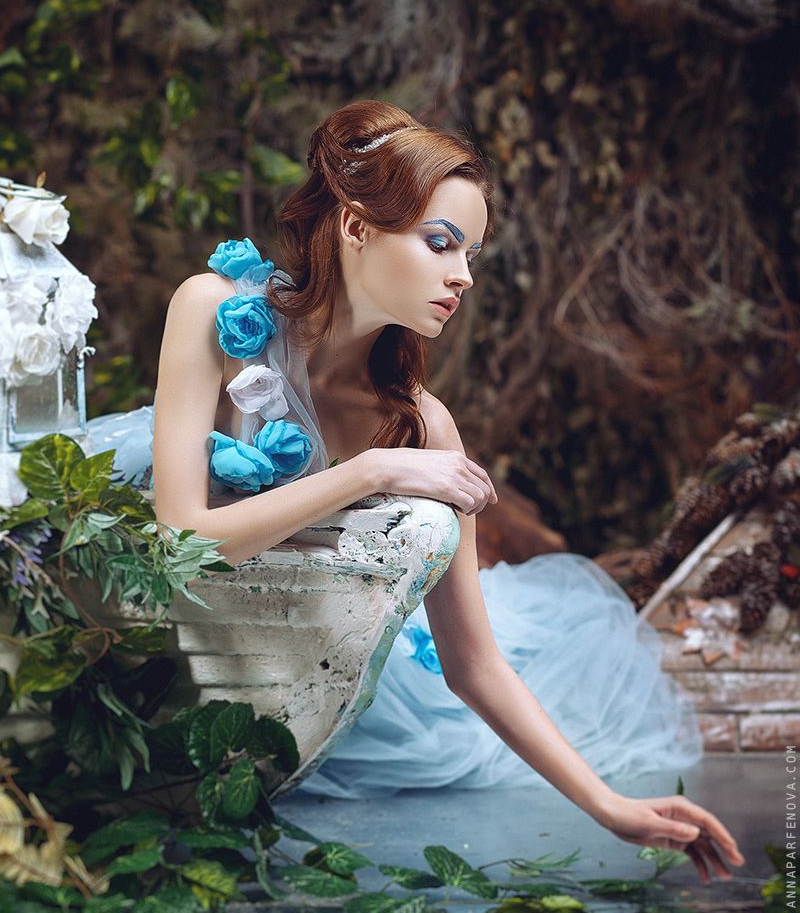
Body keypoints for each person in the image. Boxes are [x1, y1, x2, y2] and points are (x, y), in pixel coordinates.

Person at [86, 100, 745, 884]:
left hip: (313, 666)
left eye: (471, 253)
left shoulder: (424, 424)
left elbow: (474, 666)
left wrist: (611, 808)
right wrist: (370, 473)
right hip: (155, 630)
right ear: (355, 225)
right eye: (440, 243)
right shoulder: (214, 309)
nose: (462, 274)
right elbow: (181, 535)